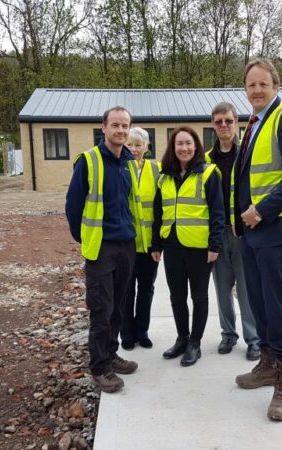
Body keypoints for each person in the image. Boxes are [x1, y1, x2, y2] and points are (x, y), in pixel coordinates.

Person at [232, 58, 282, 421]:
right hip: (253, 229)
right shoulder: (255, 121)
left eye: (263, 84)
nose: (257, 90)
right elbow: (246, 176)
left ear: (276, 86)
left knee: (277, 304)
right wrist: (240, 220)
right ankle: (267, 363)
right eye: (251, 85)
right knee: (259, 301)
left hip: (277, 228)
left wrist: (260, 211)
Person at [65, 106, 145, 394]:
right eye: (116, 125)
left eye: (125, 126)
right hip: (101, 249)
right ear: (104, 127)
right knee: (101, 308)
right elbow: (73, 207)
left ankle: (111, 354)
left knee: (118, 307)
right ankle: (99, 368)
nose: (121, 131)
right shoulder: (89, 161)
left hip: (126, 246)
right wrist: (85, 240)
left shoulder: (128, 162)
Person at [151, 126, 224, 367]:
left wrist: (215, 245)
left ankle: (195, 343)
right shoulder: (164, 176)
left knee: (199, 296)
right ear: (173, 148)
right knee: (176, 296)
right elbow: (158, 213)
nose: (184, 148)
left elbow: (217, 213)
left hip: (199, 247)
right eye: (179, 144)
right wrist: (156, 244)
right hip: (172, 245)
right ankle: (182, 338)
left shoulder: (209, 173)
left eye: (188, 143)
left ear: (196, 147)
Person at [205, 102, 261, 361]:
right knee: (222, 288)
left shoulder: (247, 155)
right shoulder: (206, 160)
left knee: (247, 288)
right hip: (217, 234)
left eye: (228, 120)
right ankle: (228, 334)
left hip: (242, 233)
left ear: (236, 122)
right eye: (218, 122)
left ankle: (253, 339)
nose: (224, 126)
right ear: (213, 126)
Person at [120, 127, 161, 350]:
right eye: (130, 145)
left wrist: (158, 243)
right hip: (127, 243)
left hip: (149, 245)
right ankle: (126, 333)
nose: (134, 149)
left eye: (138, 145)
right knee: (127, 290)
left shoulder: (157, 170)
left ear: (146, 147)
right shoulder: (119, 168)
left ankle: (142, 331)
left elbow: (160, 208)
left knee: (146, 289)